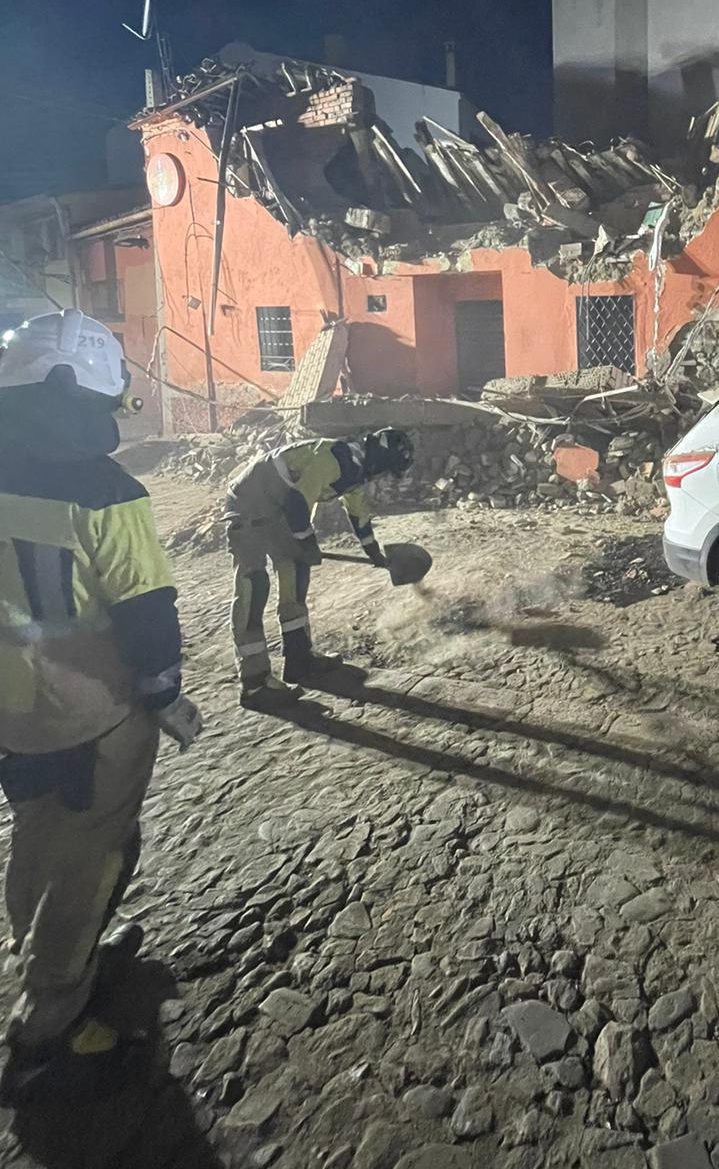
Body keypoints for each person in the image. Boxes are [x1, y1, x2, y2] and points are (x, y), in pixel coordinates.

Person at [0, 310, 202, 1101]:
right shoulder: (106, 491)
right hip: (85, 709)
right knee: (94, 853)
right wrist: (165, 692)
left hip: (11, 712)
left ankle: (51, 953)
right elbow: (146, 607)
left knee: (40, 834)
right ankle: (50, 1023)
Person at [224, 430, 413, 707]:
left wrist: (375, 554)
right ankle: (255, 684)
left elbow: (359, 517)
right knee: (254, 586)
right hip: (247, 506)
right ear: (379, 461)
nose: (383, 478)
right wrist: (307, 541)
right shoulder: (333, 460)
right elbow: (296, 502)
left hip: (277, 511)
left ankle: (299, 660)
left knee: (296, 574)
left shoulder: (355, 473)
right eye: (386, 472)